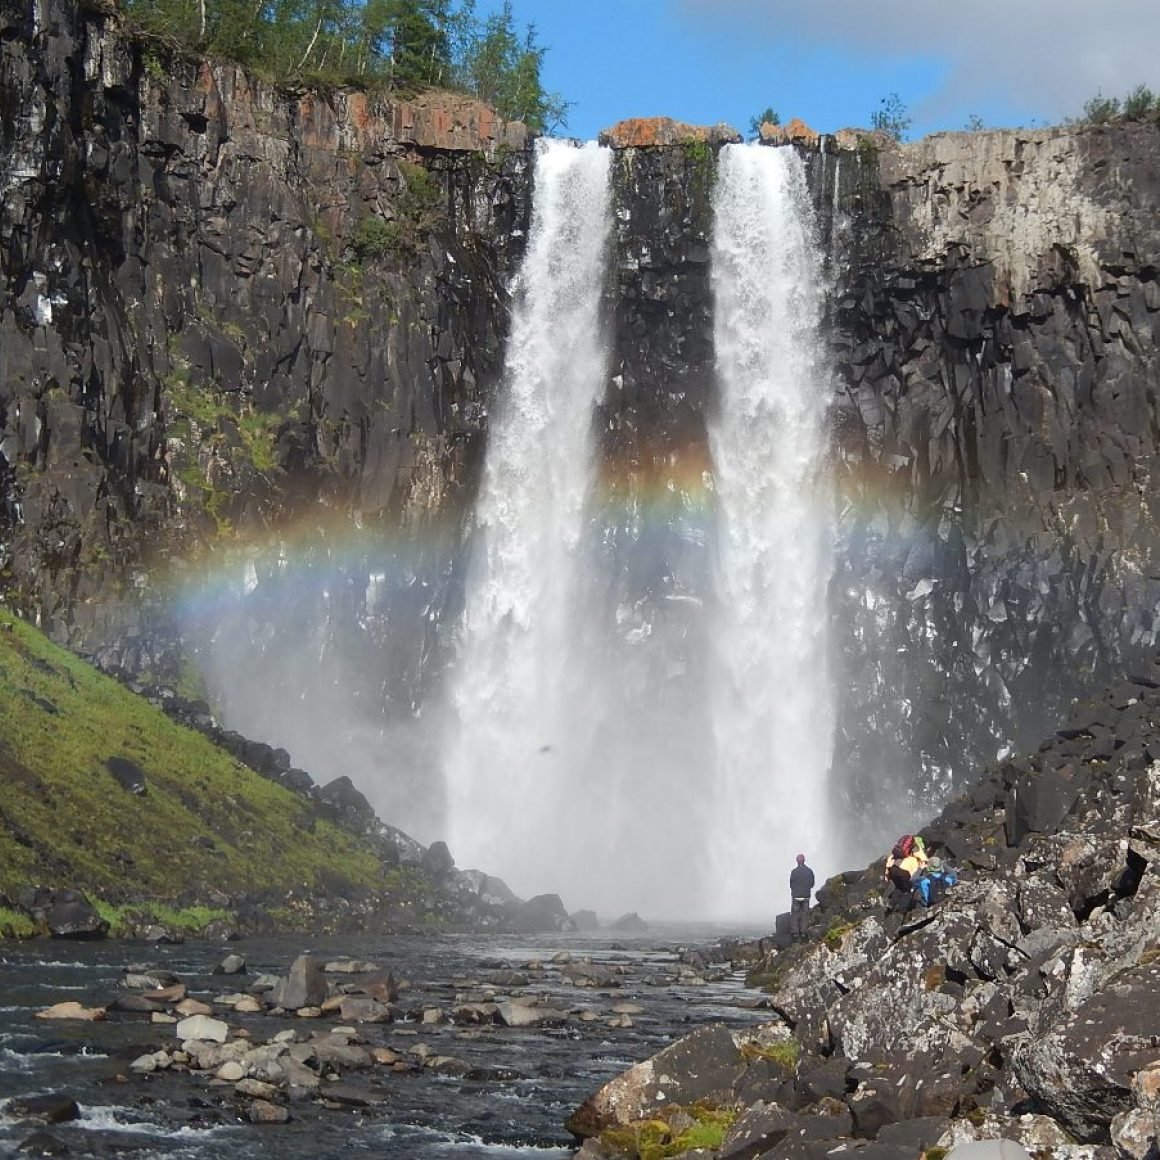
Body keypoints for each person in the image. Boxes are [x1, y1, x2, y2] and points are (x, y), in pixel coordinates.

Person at [789, 854, 815, 942]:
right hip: (806, 896)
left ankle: (795, 932)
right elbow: (812, 883)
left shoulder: (794, 872)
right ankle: (803, 932)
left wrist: (795, 891)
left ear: (797, 861)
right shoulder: (809, 871)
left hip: (796, 896)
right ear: (804, 861)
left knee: (795, 914)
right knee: (805, 914)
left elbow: (791, 884)